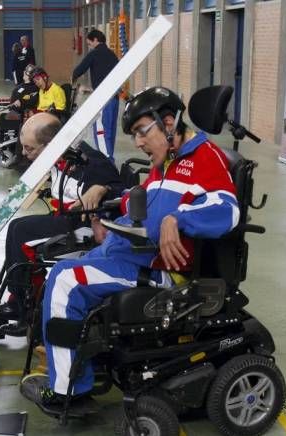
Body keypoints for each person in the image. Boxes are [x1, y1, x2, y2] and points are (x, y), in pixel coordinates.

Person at [20, 87, 240, 415]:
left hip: (162, 273)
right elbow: (143, 201)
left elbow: (228, 209)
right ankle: (79, 363)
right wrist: (107, 211)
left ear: (168, 122)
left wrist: (176, 218)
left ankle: (67, 390)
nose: (137, 142)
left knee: (66, 281)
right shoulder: (168, 160)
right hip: (128, 252)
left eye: (141, 132)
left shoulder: (205, 159)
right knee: (59, 269)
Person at [0, 113, 124, 337]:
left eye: (29, 149)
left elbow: (117, 186)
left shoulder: (91, 162)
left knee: (22, 231)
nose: (25, 155)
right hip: (66, 218)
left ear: (50, 145)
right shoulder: (59, 156)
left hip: (84, 226)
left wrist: (102, 187)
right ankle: (16, 297)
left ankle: (28, 312)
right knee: (15, 227)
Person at [72, 29, 120, 160]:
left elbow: (78, 70)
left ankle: (108, 165)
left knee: (101, 134)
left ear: (95, 40)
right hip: (114, 99)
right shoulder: (112, 55)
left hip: (102, 100)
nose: (89, 46)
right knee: (110, 133)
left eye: (89, 43)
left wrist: (73, 81)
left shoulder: (94, 54)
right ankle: (110, 158)